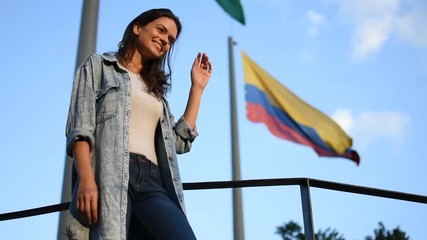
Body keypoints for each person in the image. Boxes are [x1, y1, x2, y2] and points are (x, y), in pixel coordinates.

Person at [65, 8, 212, 239]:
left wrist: (197, 89)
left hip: (153, 181)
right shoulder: (99, 66)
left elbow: (177, 143)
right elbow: (81, 128)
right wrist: (86, 179)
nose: (165, 40)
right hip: (110, 174)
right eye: (161, 30)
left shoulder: (155, 93)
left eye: (170, 40)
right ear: (137, 28)